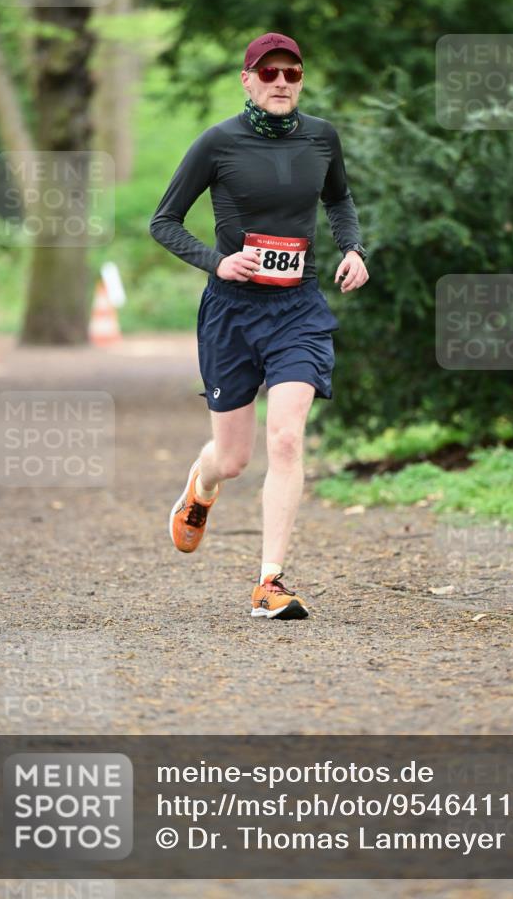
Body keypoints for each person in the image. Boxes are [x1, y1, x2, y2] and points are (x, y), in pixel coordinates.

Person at [150, 32, 368, 620]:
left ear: (301, 80)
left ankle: (269, 582)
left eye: (291, 73)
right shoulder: (218, 142)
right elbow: (164, 222)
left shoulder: (321, 137)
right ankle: (201, 486)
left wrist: (353, 248)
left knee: (287, 438)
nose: (280, 82)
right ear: (247, 80)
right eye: (268, 72)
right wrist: (216, 262)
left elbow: (339, 200)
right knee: (233, 459)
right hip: (232, 312)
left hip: (298, 309)